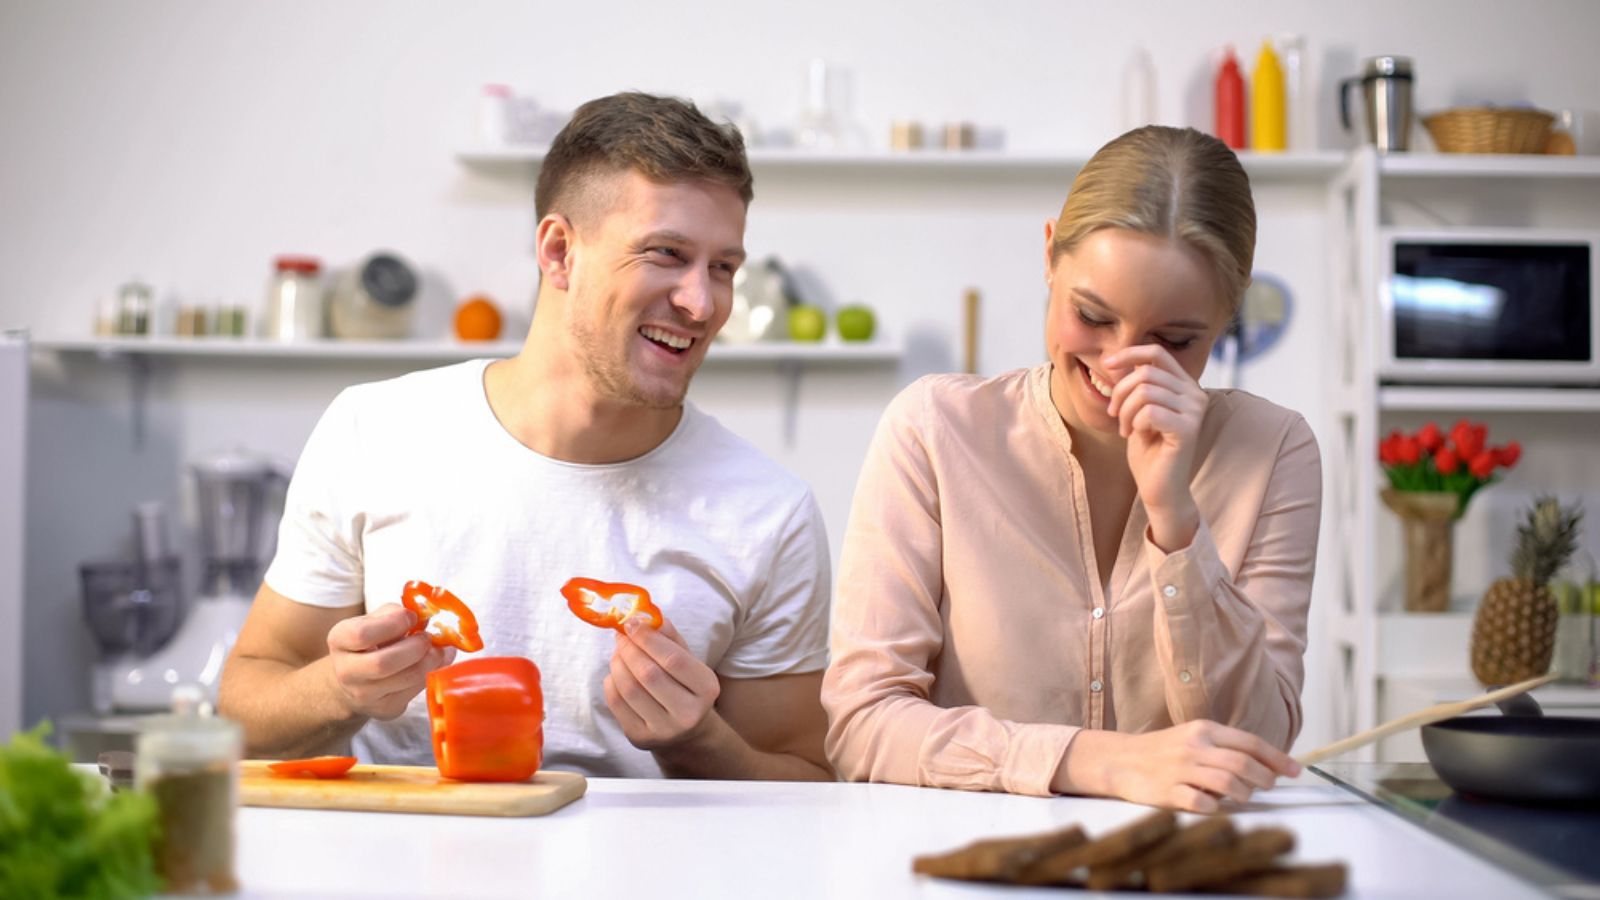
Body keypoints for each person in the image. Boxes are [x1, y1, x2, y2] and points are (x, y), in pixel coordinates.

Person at [219, 92, 833, 781]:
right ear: (559, 250)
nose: (703, 302)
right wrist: (338, 689)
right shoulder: (374, 432)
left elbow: (810, 784)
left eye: (723, 267)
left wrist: (699, 742)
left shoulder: (769, 511)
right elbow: (240, 715)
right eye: (667, 254)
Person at [820, 125, 1320, 812]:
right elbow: (862, 725)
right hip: (968, 867)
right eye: (1092, 315)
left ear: (1226, 318)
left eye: (1174, 340)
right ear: (1050, 255)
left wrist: (1177, 523)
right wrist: (1100, 762)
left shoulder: (1275, 451)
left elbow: (1254, 742)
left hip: (1182, 872)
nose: (1121, 362)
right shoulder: (933, 430)